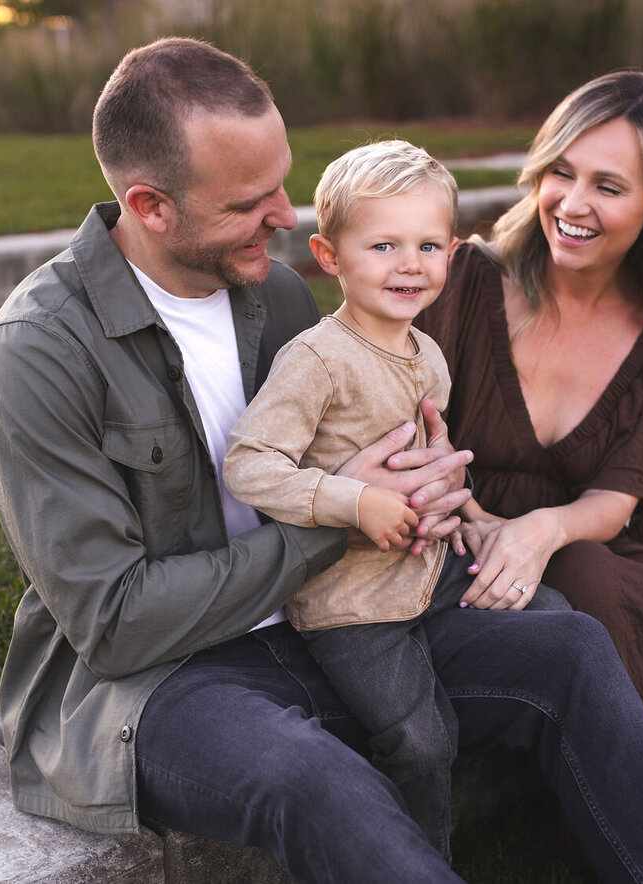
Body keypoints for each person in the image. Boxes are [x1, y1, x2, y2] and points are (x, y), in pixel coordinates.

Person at [0, 38, 643, 883]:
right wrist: (350, 514)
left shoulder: (274, 291)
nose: (288, 217)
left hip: (334, 619)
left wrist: (436, 489)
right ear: (151, 205)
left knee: (573, 651)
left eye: (283, 182)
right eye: (251, 201)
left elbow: (370, 439)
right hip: (163, 684)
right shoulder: (39, 351)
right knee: (320, 781)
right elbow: (115, 625)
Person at [416, 69, 643, 881]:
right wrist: (467, 509)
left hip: (589, 552)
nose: (571, 203)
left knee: (631, 590)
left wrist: (543, 528)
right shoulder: (464, 281)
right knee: (587, 583)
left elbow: (617, 499)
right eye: (560, 173)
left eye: (607, 185)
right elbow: (400, 419)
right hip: (443, 546)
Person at [223, 140, 563, 860]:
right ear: (329, 255)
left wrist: (469, 514)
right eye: (384, 244)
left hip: (427, 569)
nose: (410, 264)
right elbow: (249, 466)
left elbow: (429, 457)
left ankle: (539, 776)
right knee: (420, 738)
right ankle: (418, 861)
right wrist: (353, 501)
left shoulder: (426, 354)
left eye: (428, 245)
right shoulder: (317, 360)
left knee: (555, 618)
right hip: (352, 602)